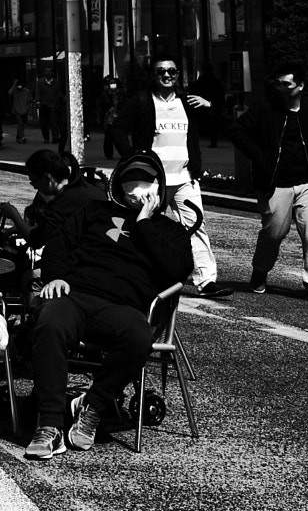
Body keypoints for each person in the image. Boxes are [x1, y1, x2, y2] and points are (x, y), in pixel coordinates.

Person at [22, 153, 195, 461]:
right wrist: (56, 277)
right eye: (131, 179)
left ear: (160, 186)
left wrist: (144, 223)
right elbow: (59, 246)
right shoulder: (94, 211)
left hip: (124, 306)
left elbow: (177, 270)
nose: (137, 186)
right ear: (118, 183)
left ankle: (93, 406)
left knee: (139, 338)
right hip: (76, 293)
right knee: (49, 322)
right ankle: (49, 424)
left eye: (146, 180)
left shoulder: (170, 230)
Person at [230, 68, 308, 302]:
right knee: (274, 233)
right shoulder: (264, 109)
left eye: (286, 85)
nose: (280, 89)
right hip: (275, 184)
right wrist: (260, 156)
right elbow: (237, 131)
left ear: (300, 87)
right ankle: (260, 271)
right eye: (278, 84)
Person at [129, 55, 225, 296]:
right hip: (153, 181)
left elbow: (221, 125)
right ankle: (140, 276)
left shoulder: (188, 102)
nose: (167, 75)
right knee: (145, 226)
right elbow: (117, 128)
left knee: (196, 225)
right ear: (153, 75)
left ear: (178, 75)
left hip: (184, 178)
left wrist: (210, 105)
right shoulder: (142, 101)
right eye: (161, 71)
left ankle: (206, 281)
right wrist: (133, 158)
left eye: (172, 71)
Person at [0, 147, 102, 245]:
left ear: (47, 178)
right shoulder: (83, 187)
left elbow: (35, 240)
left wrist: (14, 215)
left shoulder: (64, 202)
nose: (35, 187)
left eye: (34, 181)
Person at [99, 76, 129, 159]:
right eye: (111, 84)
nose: (113, 86)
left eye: (114, 84)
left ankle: (123, 152)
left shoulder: (121, 93)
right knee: (108, 136)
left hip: (119, 116)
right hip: (108, 117)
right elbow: (102, 106)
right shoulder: (105, 94)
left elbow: (125, 104)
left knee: (119, 135)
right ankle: (109, 154)